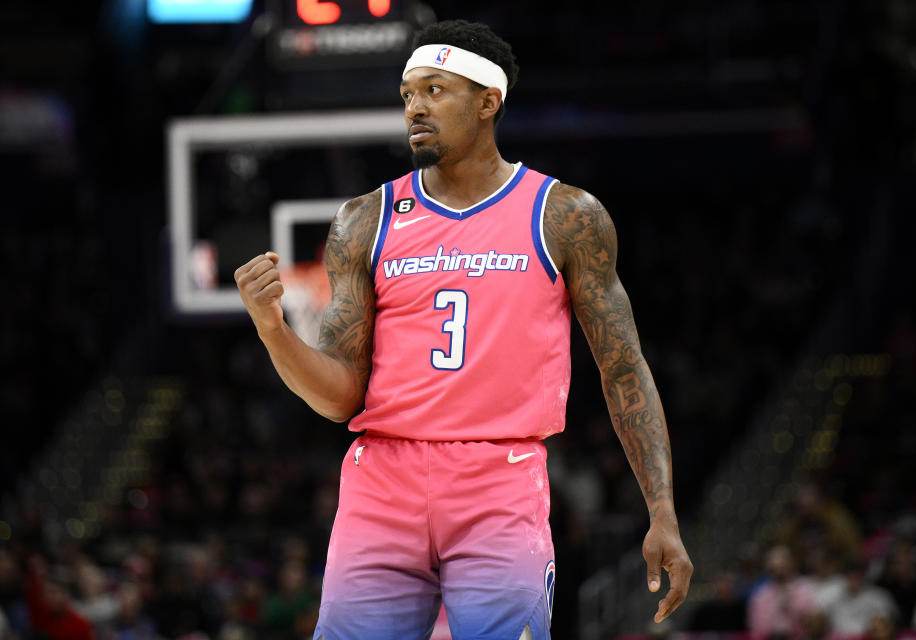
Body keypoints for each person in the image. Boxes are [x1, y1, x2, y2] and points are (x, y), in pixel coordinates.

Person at [234, 19, 693, 640]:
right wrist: (272, 328)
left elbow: (623, 368)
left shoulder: (565, 215)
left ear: (487, 101)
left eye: (433, 90)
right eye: (407, 94)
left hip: (498, 480)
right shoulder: (363, 220)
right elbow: (340, 396)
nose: (414, 107)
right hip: (382, 479)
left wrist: (661, 509)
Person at [746, 545, 817, 639]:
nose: (779, 571)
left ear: (791, 564)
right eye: (774, 567)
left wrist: (790, 608)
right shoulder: (761, 593)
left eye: (782, 566)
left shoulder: (804, 588)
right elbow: (755, 626)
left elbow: (811, 622)